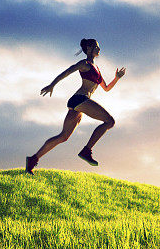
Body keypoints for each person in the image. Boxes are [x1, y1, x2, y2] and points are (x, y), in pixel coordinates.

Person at [25, 38, 126, 175]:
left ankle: (32, 159)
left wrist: (117, 78)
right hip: (80, 99)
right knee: (110, 121)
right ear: (89, 48)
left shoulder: (96, 69)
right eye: (96, 46)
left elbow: (106, 88)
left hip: (78, 103)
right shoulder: (84, 64)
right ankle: (86, 151)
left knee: (63, 136)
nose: (99, 49)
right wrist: (52, 85)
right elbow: (67, 72)